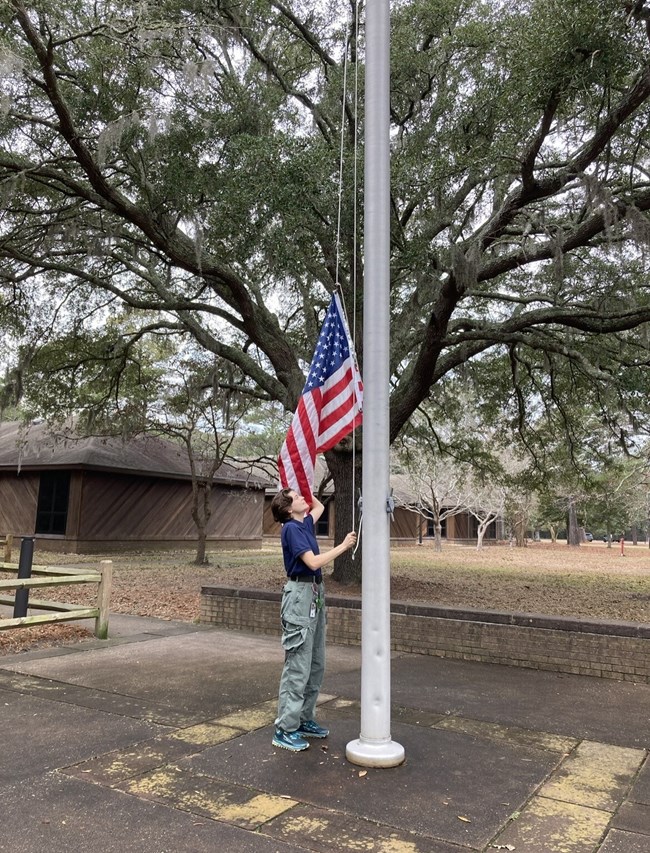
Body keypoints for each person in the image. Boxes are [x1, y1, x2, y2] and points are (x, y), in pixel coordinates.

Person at [270, 487, 357, 752]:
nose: (302, 499)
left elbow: (315, 505)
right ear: (287, 509)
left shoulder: (304, 521)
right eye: (296, 498)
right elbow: (313, 562)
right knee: (298, 666)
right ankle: (285, 729)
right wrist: (343, 546)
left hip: (315, 594)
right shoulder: (291, 530)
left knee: (315, 663)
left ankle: (304, 719)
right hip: (299, 595)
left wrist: (302, 483)